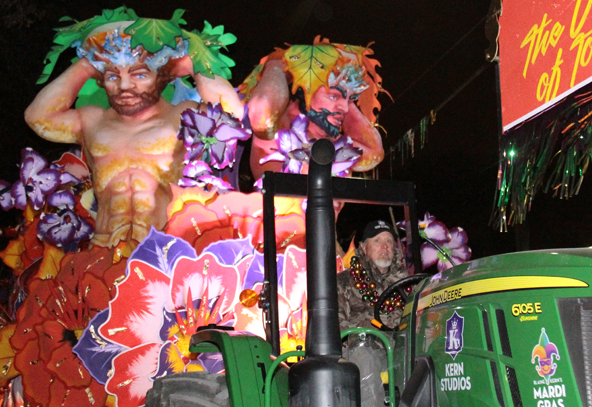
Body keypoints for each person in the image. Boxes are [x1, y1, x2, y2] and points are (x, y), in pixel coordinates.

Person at [25, 18, 242, 248]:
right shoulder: (91, 122)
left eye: (139, 75)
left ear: (162, 76)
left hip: (166, 248)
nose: (124, 86)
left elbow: (232, 113)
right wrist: (87, 64)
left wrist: (191, 62)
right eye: (112, 76)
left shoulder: (183, 116)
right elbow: (38, 117)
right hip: (104, 248)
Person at [242, 40, 385, 181]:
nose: (346, 108)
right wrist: (279, 66)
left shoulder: (334, 143)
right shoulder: (278, 130)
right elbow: (261, 113)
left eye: (349, 101)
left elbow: (374, 152)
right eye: (333, 96)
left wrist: (346, 92)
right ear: (305, 91)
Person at [336, 219, 409, 407]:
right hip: (362, 349)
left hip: (400, 349)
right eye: (377, 241)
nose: (385, 246)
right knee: (364, 355)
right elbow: (335, 324)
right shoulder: (344, 282)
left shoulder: (409, 286)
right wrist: (368, 329)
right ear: (363, 248)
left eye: (389, 241)